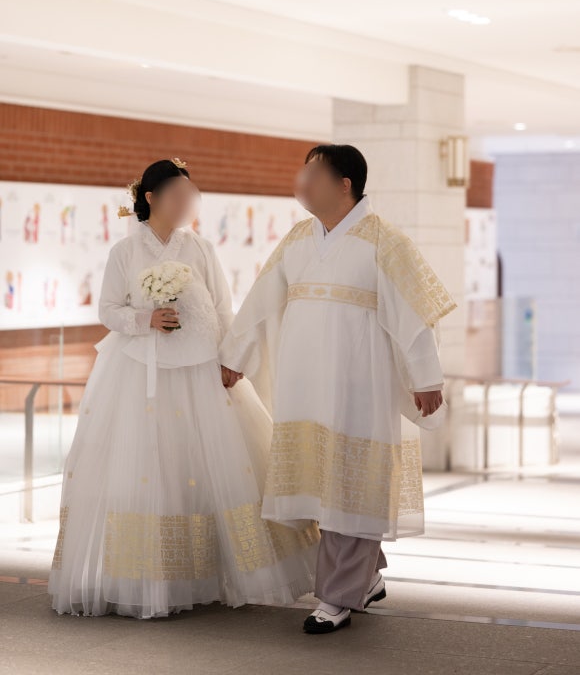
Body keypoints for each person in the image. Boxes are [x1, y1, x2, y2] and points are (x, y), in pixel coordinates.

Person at [48, 158, 319, 619]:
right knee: (153, 471)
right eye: (175, 194)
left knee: (213, 470)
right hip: (140, 374)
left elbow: (224, 308)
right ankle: (154, 580)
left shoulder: (200, 248)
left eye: (188, 195)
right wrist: (146, 319)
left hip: (202, 371)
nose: (184, 203)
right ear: (150, 197)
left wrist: (232, 360)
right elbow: (108, 309)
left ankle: (213, 574)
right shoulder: (125, 252)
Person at [220, 144, 456, 634]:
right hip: (305, 386)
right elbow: (260, 300)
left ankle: (335, 598)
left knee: (352, 487)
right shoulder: (297, 239)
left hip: (359, 385)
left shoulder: (385, 241)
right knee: (324, 488)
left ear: (344, 184)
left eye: (312, 174)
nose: (301, 182)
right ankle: (366, 577)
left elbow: (414, 316)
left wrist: (426, 377)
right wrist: (234, 357)